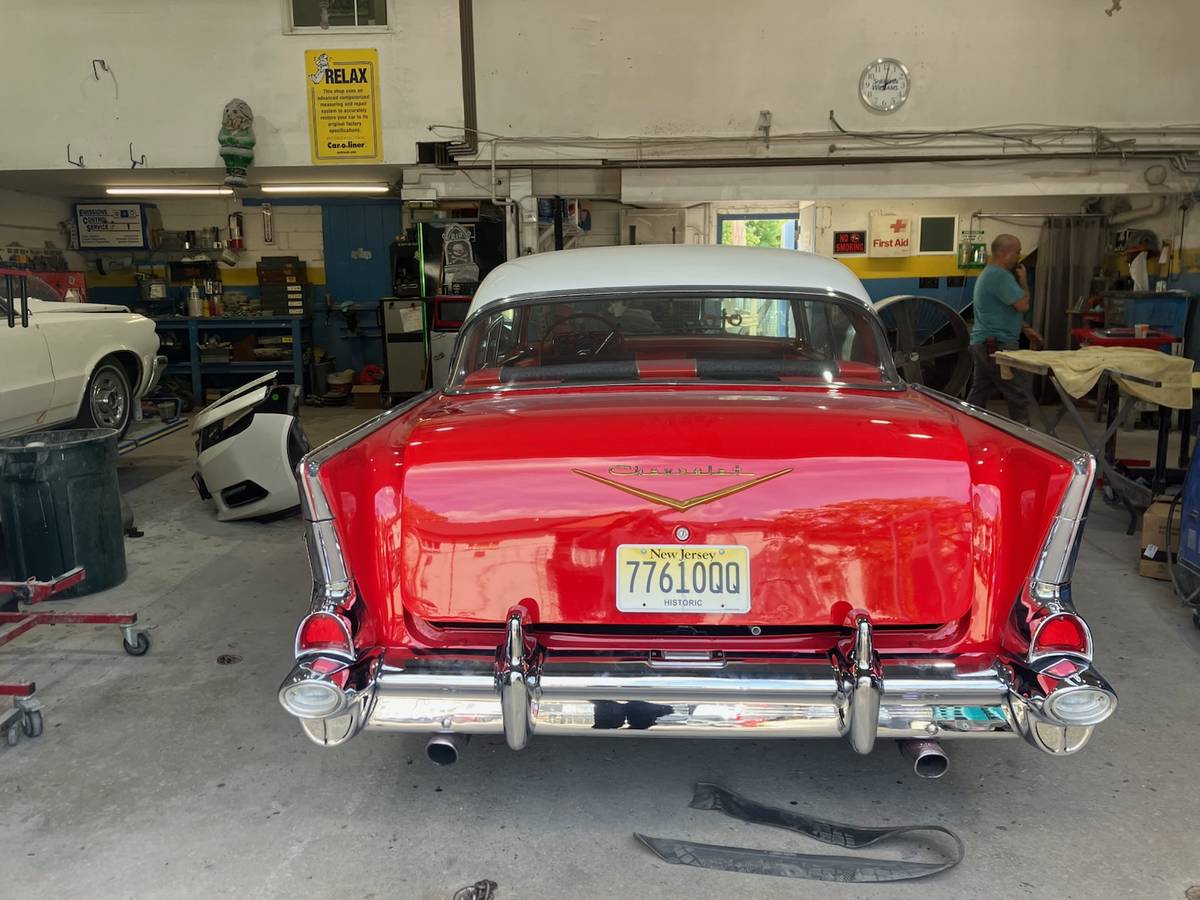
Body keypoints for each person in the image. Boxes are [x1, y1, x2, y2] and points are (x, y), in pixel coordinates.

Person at [966, 234, 1044, 425]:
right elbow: (1022, 305)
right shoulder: (1000, 276)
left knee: (980, 391)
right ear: (1004, 253)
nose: (1018, 257)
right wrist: (1024, 281)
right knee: (1017, 392)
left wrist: (1024, 327)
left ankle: (966, 428)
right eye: (1017, 252)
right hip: (997, 345)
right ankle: (1024, 437)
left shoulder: (988, 274)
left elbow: (1000, 309)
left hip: (984, 342)